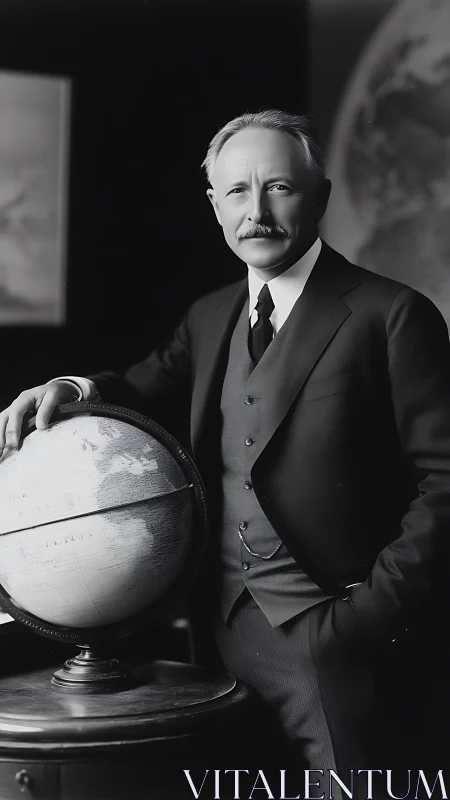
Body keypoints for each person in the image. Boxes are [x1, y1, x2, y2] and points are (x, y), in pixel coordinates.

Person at [1, 110, 450, 789]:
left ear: (321, 196)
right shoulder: (209, 315)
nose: (257, 211)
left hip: (333, 639)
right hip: (214, 639)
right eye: (237, 191)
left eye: (280, 188)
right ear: (215, 205)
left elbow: (443, 483)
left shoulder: (393, 315)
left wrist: (365, 621)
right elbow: (145, 386)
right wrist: (68, 385)